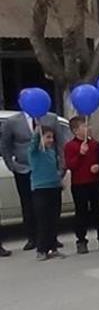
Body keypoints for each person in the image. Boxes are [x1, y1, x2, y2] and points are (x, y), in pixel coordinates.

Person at [1, 106, 65, 253]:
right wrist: (12, 165)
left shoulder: (51, 118)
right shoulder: (12, 121)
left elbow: (61, 143)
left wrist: (61, 166)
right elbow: (5, 145)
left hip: (48, 169)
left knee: (51, 207)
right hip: (24, 168)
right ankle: (32, 237)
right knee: (29, 204)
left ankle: (52, 238)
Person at [64, 116, 99, 254]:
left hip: (95, 182)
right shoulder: (70, 146)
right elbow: (70, 165)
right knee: (81, 213)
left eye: (88, 126)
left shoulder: (95, 144)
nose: (88, 128)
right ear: (75, 131)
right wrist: (80, 154)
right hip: (79, 184)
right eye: (84, 127)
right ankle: (81, 240)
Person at [29, 126, 64, 260]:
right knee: (43, 220)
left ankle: (52, 247)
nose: (51, 140)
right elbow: (33, 145)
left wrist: (59, 178)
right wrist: (37, 134)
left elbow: (54, 168)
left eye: (52, 137)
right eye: (47, 137)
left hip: (54, 188)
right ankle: (41, 249)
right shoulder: (35, 152)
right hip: (40, 189)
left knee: (54, 219)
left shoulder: (51, 151)